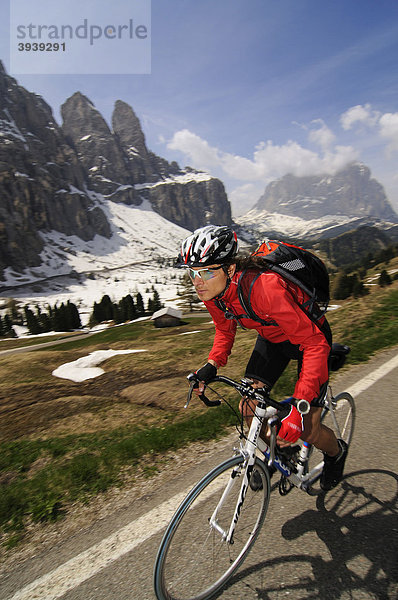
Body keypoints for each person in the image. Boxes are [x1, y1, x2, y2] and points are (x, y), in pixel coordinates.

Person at [176, 224, 348, 491]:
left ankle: (336, 454)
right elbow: (224, 328)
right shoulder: (213, 293)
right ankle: (280, 454)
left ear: (230, 269)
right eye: (193, 273)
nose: (198, 281)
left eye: (207, 272)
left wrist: (300, 407)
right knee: (248, 407)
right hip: (273, 339)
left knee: (307, 429)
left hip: (309, 339)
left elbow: (313, 344)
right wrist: (212, 364)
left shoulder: (265, 287)